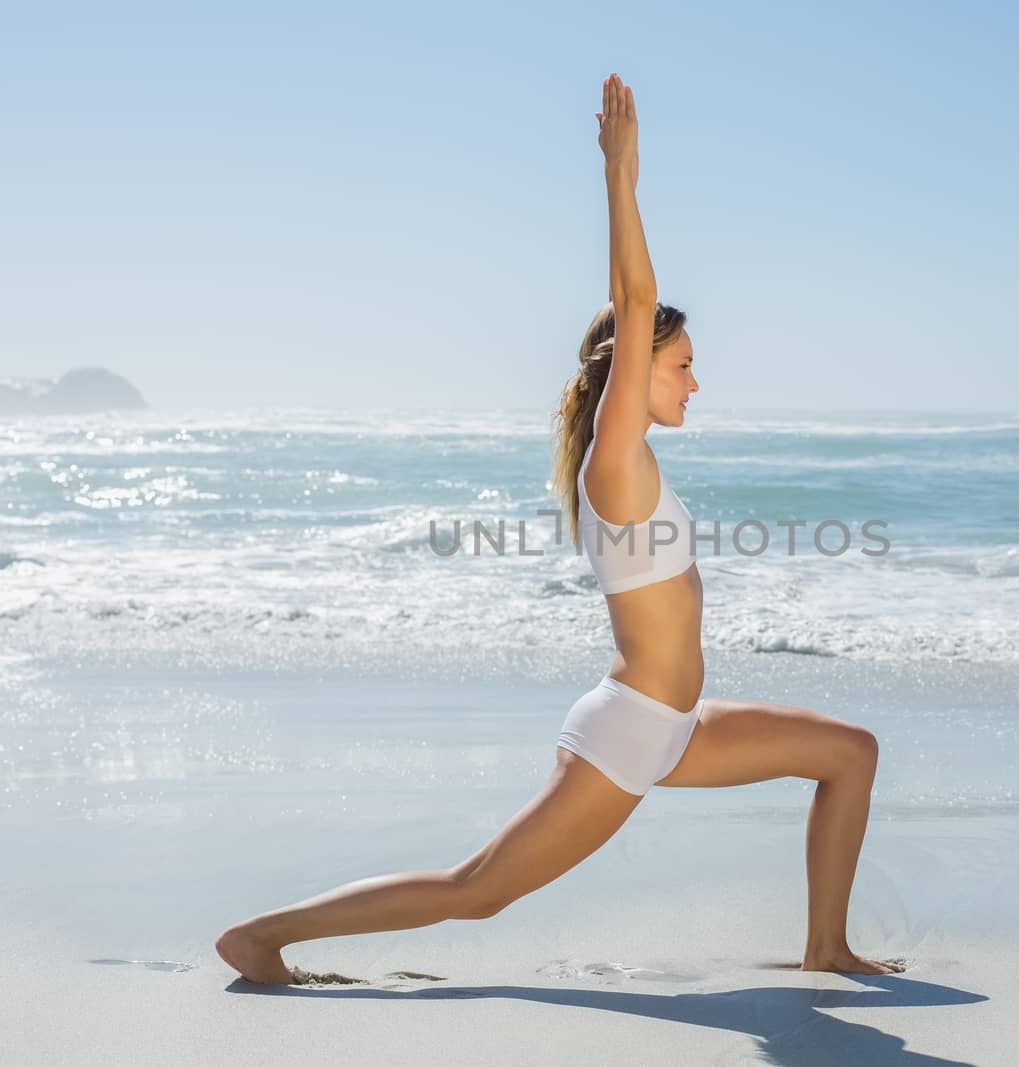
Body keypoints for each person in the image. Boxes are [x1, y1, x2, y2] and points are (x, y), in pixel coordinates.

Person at [214, 72, 901, 984]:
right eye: (684, 364)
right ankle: (262, 935)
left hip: (682, 723)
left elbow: (638, 311)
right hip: (630, 729)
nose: (696, 382)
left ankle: (825, 946)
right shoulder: (614, 464)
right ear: (635, 369)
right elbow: (635, 294)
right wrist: (621, 175)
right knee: (479, 889)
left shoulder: (636, 463)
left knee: (850, 753)